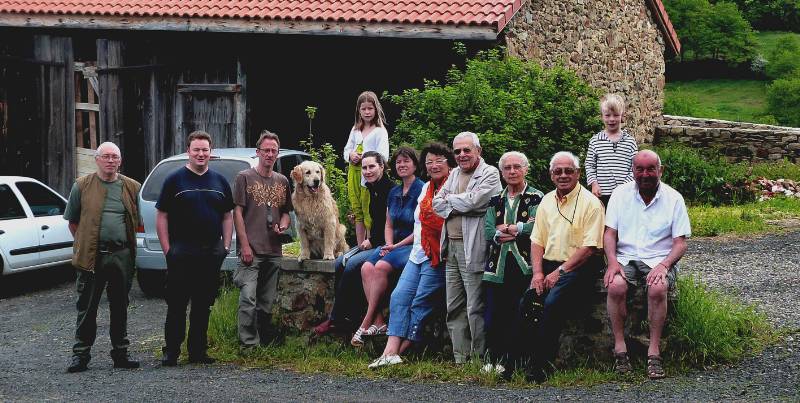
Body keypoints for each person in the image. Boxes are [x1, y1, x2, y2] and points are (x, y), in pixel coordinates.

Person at [603, 150, 691, 380]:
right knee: (615, 286)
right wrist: (612, 262)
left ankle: (654, 351)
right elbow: (610, 233)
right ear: (632, 171)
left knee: (658, 288)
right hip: (626, 257)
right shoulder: (619, 195)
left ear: (660, 170)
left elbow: (680, 243)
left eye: (651, 169)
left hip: (659, 258)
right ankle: (620, 348)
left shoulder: (674, 198)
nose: (645, 174)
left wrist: (664, 266)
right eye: (639, 169)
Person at [368, 143, 455, 368]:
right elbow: (419, 224)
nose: (434, 165)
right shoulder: (426, 188)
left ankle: (400, 351)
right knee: (399, 297)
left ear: (448, 162)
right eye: (429, 162)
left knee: (420, 302)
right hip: (418, 252)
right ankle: (390, 352)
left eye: (439, 160)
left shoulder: (454, 186)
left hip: (437, 255)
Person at [156, 131, 234, 366]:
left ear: (211, 152)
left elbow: (227, 216)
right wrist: (168, 250)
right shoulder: (174, 180)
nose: (201, 154)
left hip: (210, 253)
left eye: (205, 150)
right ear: (188, 151)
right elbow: (162, 216)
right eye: (196, 150)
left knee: (203, 305)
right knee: (177, 305)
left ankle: (197, 351)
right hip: (182, 252)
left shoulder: (220, 182)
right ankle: (172, 351)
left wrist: (226, 246)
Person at [63, 141, 142, 373]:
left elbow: (137, 222)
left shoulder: (132, 187)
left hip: (121, 256)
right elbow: (73, 222)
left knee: (120, 306)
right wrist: (86, 244)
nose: (110, 161)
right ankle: (81, 356)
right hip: (92, 257)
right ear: (96, 159)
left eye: (114, 157)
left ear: (120, 161)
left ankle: (121, 353)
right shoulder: (82, 186)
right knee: (87, 307)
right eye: (106, 156)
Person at [528, 151, 605, 382]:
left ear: (578, 173)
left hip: (580, 265)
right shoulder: (546, 200)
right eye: (558, 171)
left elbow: (590, 248)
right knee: (528, 301)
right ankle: (516, 361)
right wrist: (538, 273)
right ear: (551, 175)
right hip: (551, 263)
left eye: (568, 171)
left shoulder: (591, 203)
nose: (563, 175)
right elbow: (537, 240)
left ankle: (541, 366)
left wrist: (558, 272)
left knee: (552, 304)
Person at [433, 132, 501, 364]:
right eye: (457, 151)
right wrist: (462, 201)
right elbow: (436, 204)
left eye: (466, 150)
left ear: (478, 151)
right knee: (454, 306)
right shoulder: (453, 174)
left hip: (473, 247)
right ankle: (461, 357)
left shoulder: (490, 174)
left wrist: (452, 200)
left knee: (475, 306)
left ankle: (480, 359)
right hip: (450, 246)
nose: (461, 155)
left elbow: (476, 202)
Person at [313, 151, 394, 337]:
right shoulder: (371, 189)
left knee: (351, 266)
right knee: (338, 263)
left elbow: (389, 224)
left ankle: (337, 319)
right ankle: (345, 316)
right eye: (364, 167)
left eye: (372, 166)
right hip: (373, 241)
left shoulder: (389, 189)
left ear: (382, 166)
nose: (367, 171)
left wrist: (371, 240)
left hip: (385, 244)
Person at [353, 147, 424, 347]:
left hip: (411, 244)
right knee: (366, 267)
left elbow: (420, 228)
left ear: (415, 165)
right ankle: (378, 322)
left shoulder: (422, 189)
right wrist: (389, 244)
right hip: (392, 243)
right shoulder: (393, 192)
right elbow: (388, 223)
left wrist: (396, 246)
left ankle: (365, 322)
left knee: (381, 266)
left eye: (406, 161)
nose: (402, 165)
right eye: (399, 162)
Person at [481, 151, 544, 378]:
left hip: (524, 265)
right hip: (497, 265)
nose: (512, 171)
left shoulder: (537, 197)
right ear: (502, 172)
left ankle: (514, 361)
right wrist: (517, 228)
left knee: (520, 313)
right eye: (507, 168)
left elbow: (536, 228)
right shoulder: (495, 200)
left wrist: (509, 228)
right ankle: (493, 359)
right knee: (495, 314)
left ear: (526, 169)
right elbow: (489, 230)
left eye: (517, 167)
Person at [232, 130, 293, 349]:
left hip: (273, 249)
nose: (269, 154)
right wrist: (244, 245)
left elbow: (286, 212)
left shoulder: (283, 181)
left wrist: (284, 225)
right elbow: (237, 213)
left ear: (277, 154)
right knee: (248, 298)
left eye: (273, 151)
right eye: (265, 150)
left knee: (266, 302)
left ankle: (265, 341)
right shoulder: (244, 177)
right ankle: (248, 344)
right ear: (258, 152)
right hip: (252, 250)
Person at [343, 91, 390, 247]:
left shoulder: (380, 131)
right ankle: (359, 246)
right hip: (353, 174)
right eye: (364, 109)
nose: (367, 112)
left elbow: (383, 156)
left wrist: (364, 157)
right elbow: (346, 149)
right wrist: (351, 155)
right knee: (357, 212)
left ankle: (371, 244)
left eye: (370, 108)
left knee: (369, 211)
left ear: (376, 109)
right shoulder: (355, 129)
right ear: (359, 110)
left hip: (369, 177)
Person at [585, 93, 638, 206]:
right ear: (602, 116)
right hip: (601, 194)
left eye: (616, 115)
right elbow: (589, 165)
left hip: (625, 195)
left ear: (622, 116)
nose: (612, 119)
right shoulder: (595, 141)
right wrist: (594, 184)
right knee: (602, 222)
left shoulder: (630, 142)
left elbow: (635, 167)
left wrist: (623, 188)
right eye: (607, 115)